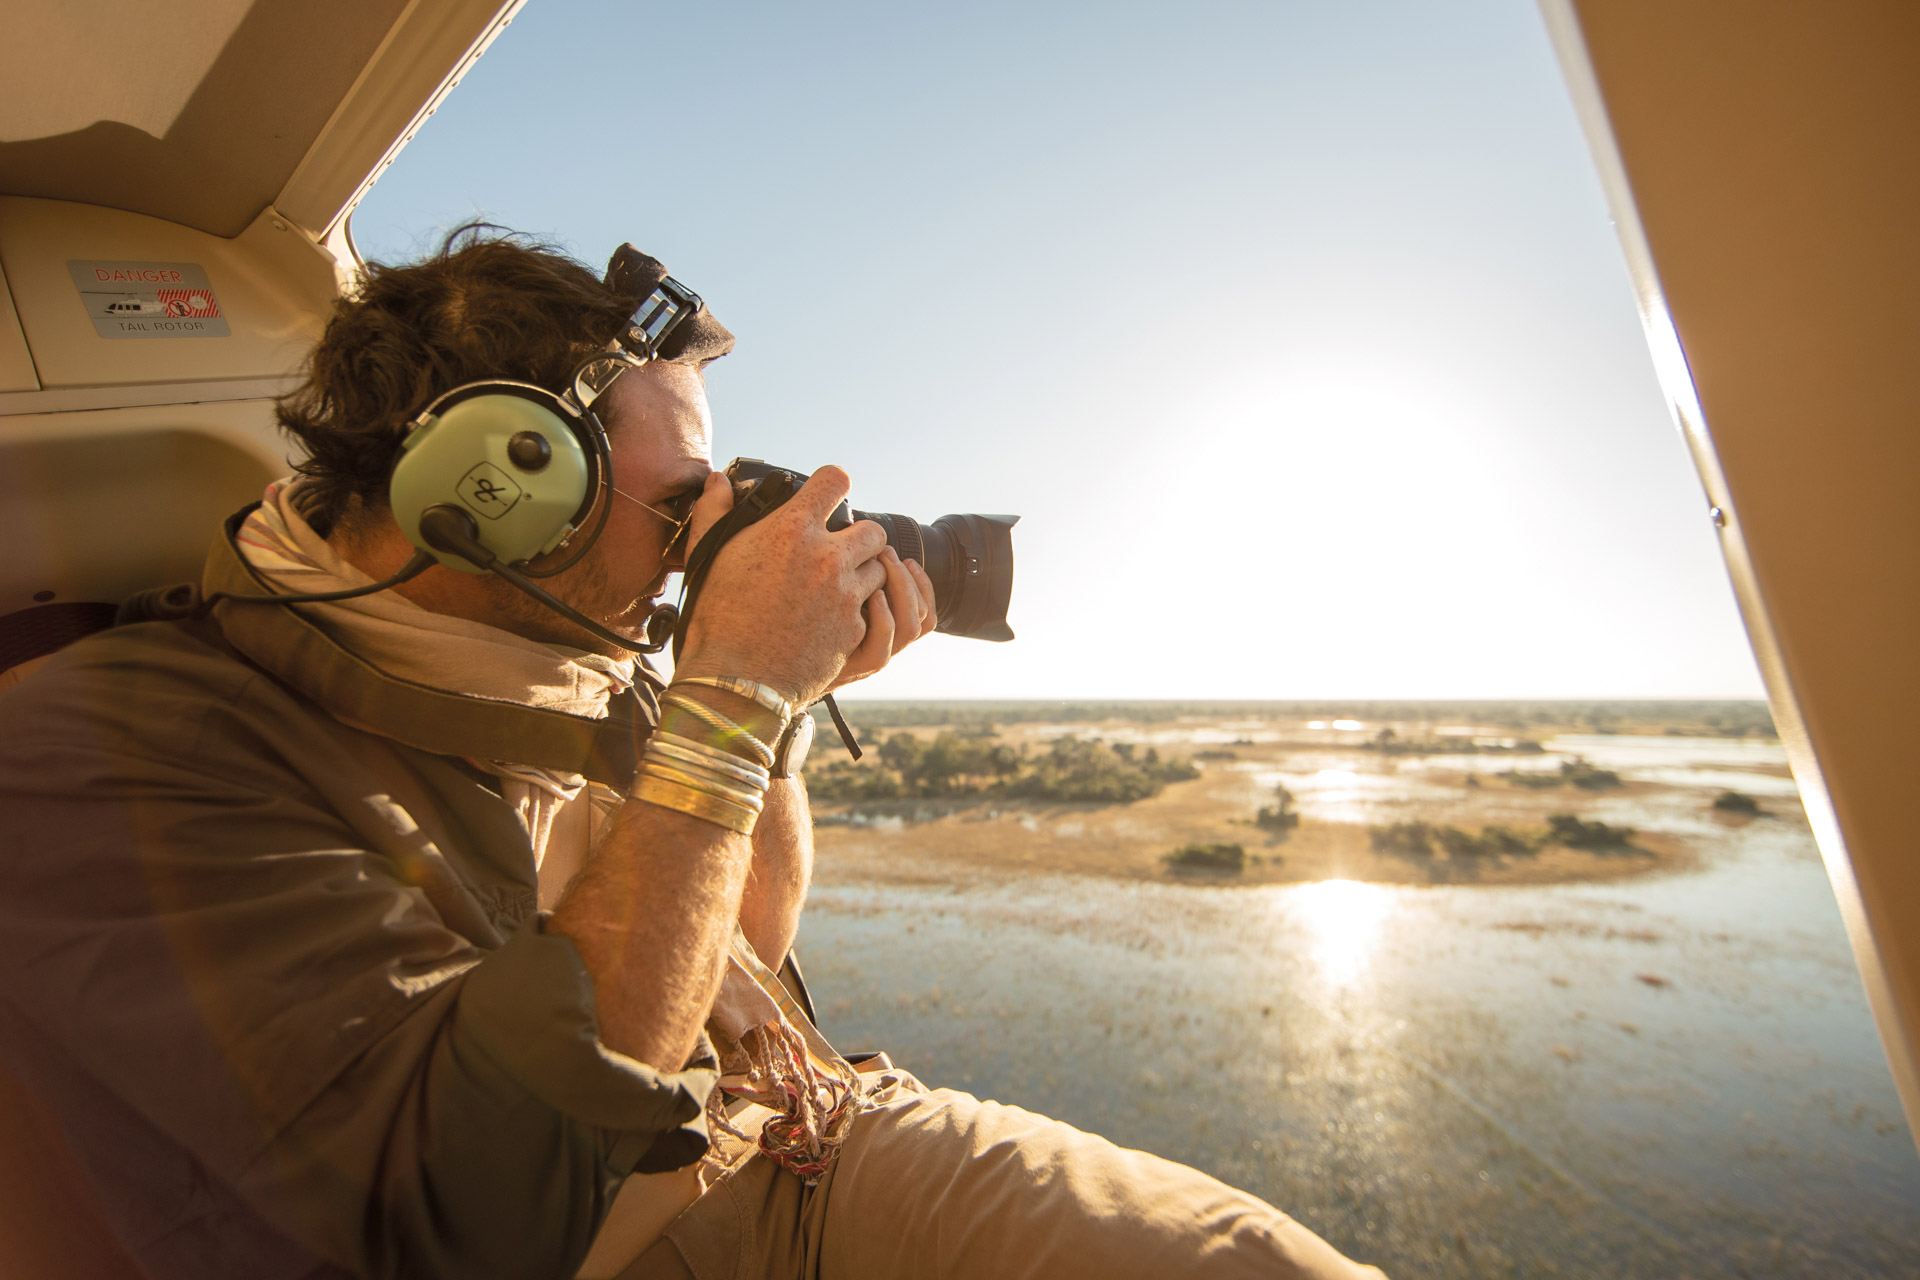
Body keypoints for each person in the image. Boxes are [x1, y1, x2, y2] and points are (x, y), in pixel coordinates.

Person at [0, 227, 1385, 1280]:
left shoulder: (576, 659)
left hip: (797, 1125)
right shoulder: (114, 746)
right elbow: (487, 1204)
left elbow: (751, 931)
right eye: (677, 508)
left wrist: (768, 708)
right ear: (492, 483)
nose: (700, 547)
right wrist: (725, 693)